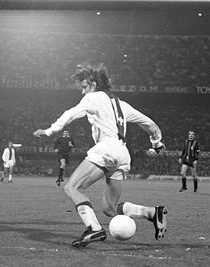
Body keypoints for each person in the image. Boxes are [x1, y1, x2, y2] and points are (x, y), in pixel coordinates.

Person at [33, 63, 167, 248]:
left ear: (93, 84)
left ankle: (93, 228)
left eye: (84, 87)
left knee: (72, 188)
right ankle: (152, 213)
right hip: (122, 154)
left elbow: (70, 114)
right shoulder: (122, 104)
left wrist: (49, 131)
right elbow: (150, 124)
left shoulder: (93, 98)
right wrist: (157, 143)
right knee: (110, 209)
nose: (82, 92)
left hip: (106, 149)